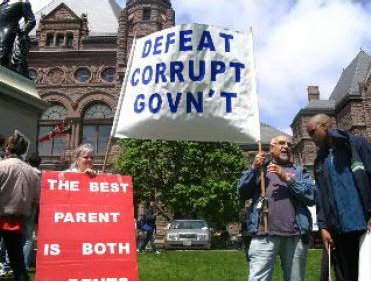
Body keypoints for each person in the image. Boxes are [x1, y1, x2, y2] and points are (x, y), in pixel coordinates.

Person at [237, 135, 315, 281]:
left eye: (288, 144)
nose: (286, 146)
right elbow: (241, 192)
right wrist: (254, 168)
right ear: (271, 149)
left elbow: (311, 197)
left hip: (295, 236)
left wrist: (287, 179)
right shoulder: (260, 171)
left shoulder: (299, 172)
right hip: (263, 234)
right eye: (281, 143)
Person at [306, 113, 371, 281]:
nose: (310, 137)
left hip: (364, 225)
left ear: (326, 125)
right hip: (339, 229)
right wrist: (323, 227)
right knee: (346, 276)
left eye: (312, 131)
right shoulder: (320, 160)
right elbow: (320, 196)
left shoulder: (355, 144)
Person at [0, 132, 40, 280]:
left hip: (3, 214)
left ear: (8, 148)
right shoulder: (33, 173)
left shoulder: (2, 166)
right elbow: (36, 200)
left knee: (15, 256)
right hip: (18, 219)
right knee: (17, 259)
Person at [0, 0, 36, 76]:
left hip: (8, 32)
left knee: (2, 56)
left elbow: (31, 20)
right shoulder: (3, 4)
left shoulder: (23, 2)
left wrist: (21, 32)